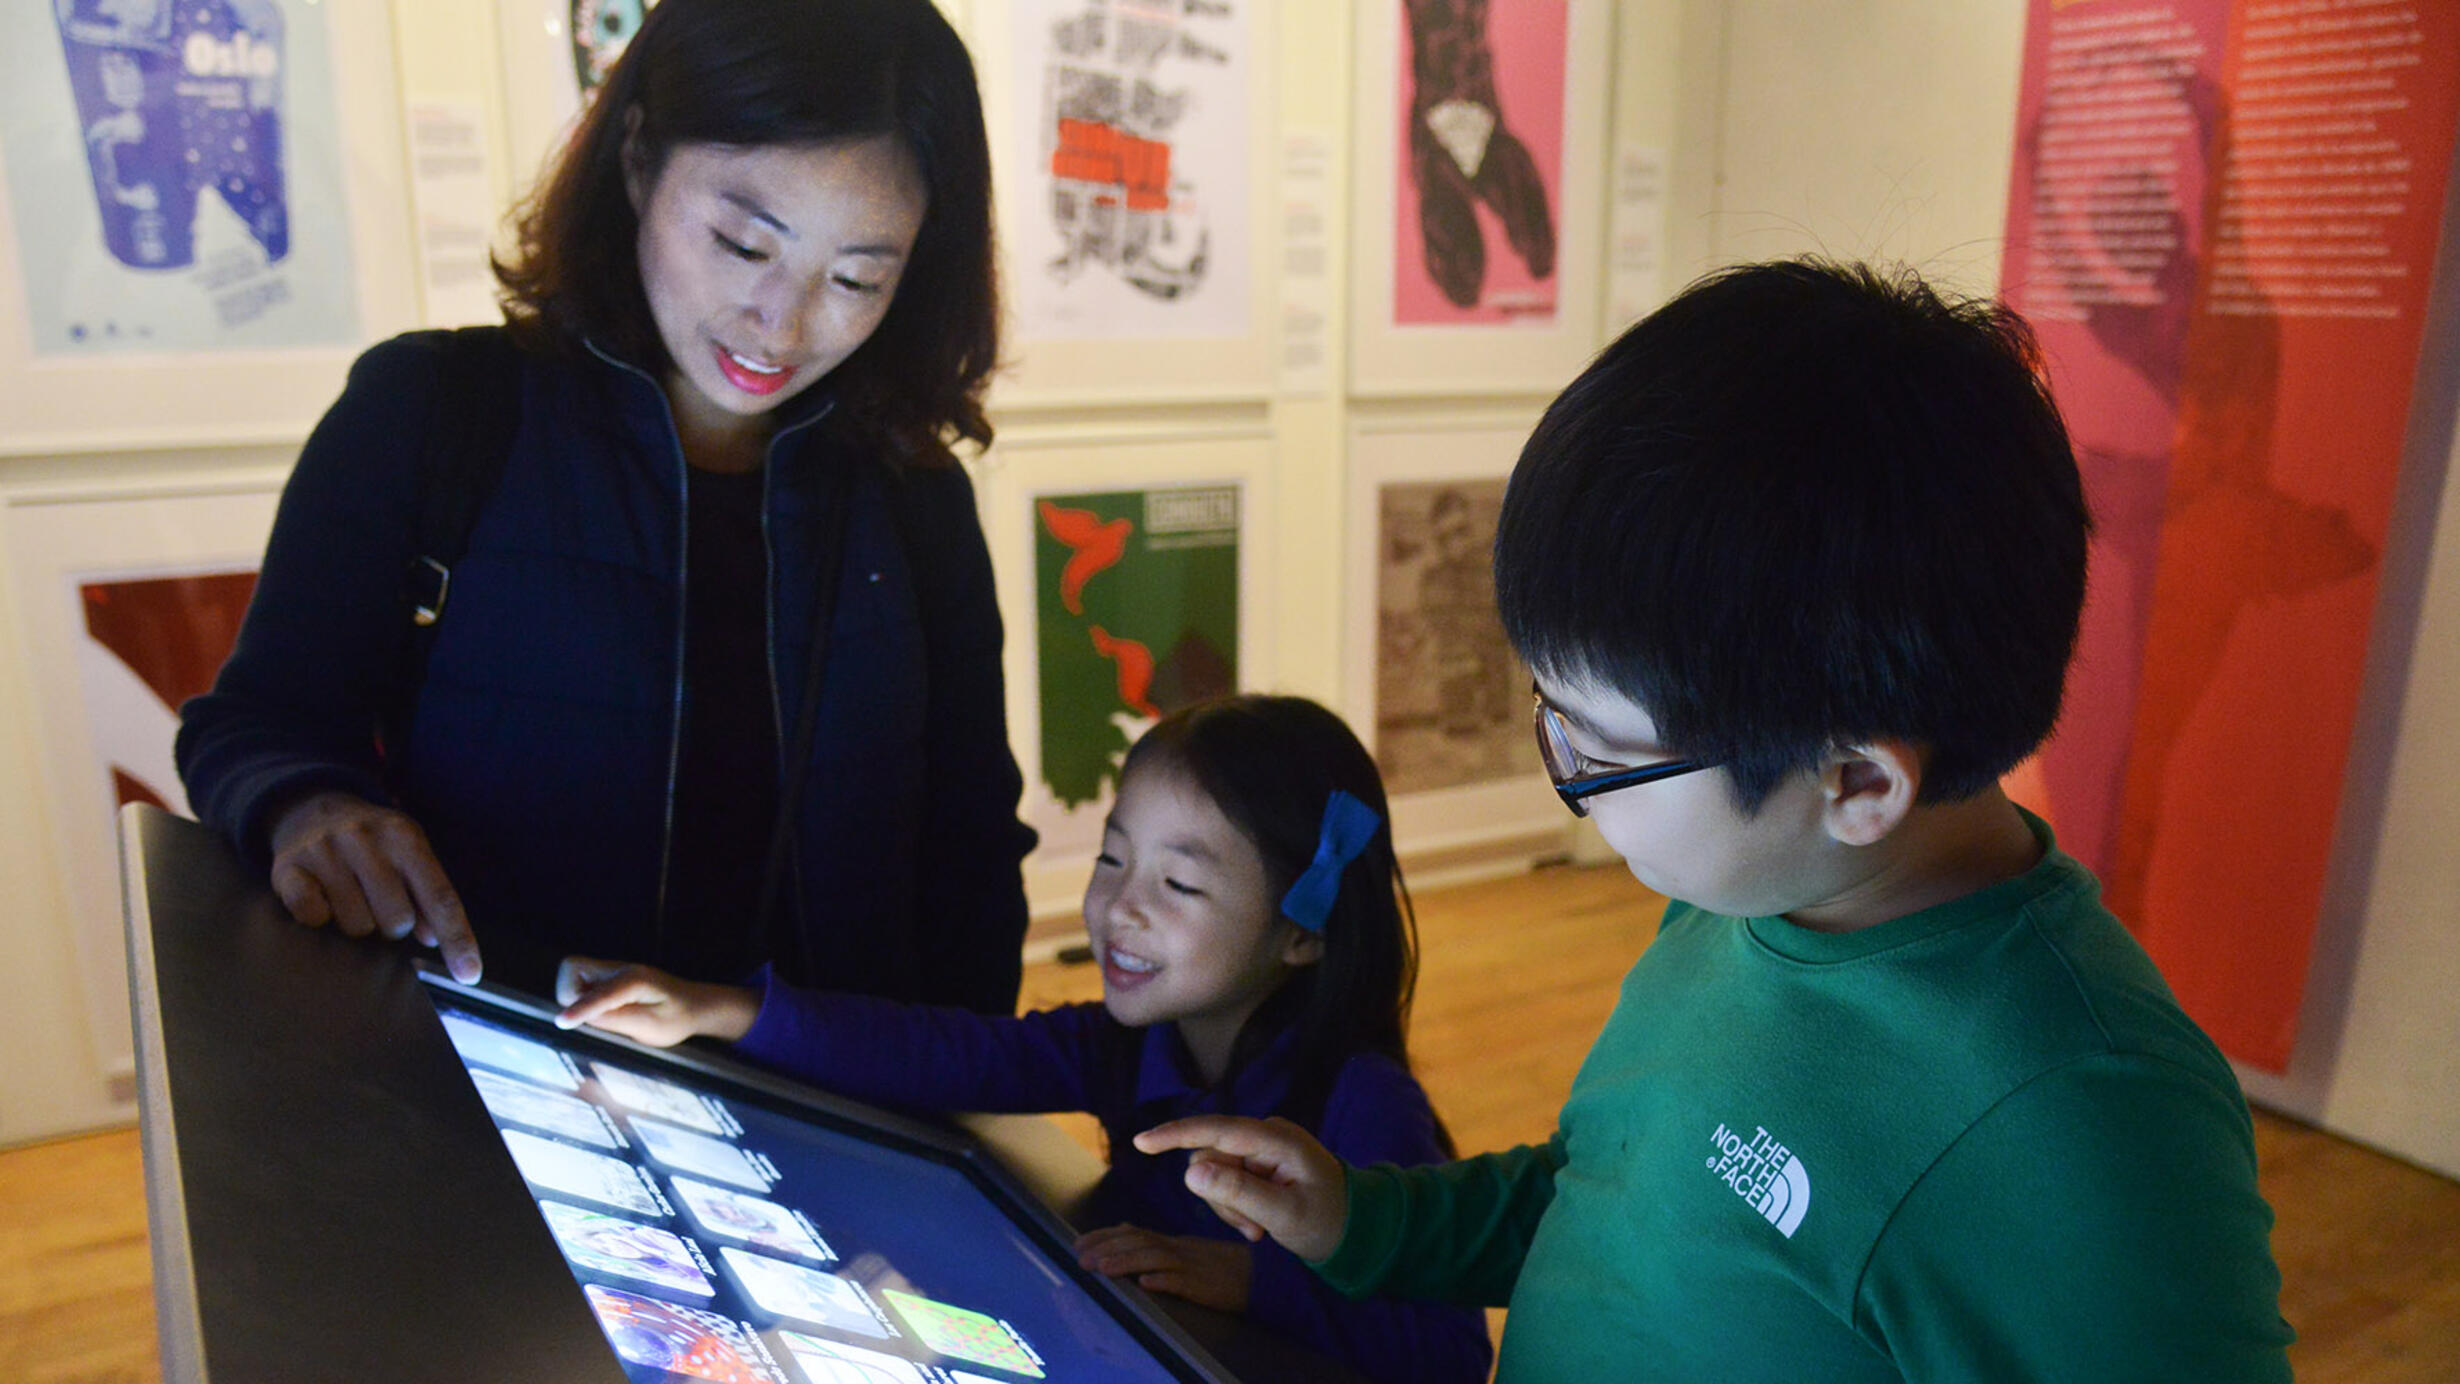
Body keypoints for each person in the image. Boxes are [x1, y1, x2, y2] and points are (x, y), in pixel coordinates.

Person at [1137, 261, 2296, 1381]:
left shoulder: (2084, 1122)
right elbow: (1603, 1193)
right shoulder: (1741, 899)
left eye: (1601, 749)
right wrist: (1366, 1219)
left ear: (1855, 784)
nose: (1572, 777)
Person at [175, 0, 1036, 1008]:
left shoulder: (914, 496)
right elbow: (256, 720)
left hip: (815, 1105)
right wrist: (307, 806)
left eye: (856, 276)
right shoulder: (433, 412)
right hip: (487, 1069)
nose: (784, 322)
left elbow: (968, 849)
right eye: (744, 243)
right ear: (638, 161)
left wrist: (960, 1115)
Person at [553, 694, 1495, 1384]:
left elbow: (1449, 1353)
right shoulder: (1126, 1043)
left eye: (1181, 886)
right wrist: (723, 1011)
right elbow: (944, 1052)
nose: (1119, 908)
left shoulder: (1362, 1103)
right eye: (1112, 858)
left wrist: (1258, 1283)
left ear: (1303, 931)